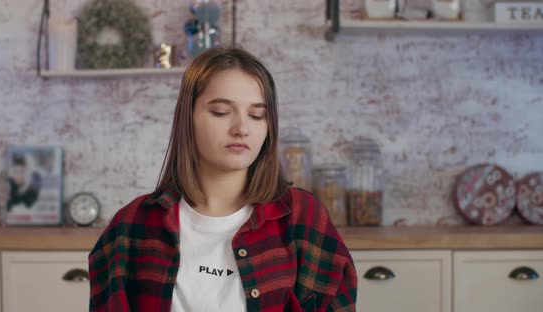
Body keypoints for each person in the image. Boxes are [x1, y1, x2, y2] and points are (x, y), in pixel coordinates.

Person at [88, 46, 357, 312]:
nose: (241, 129)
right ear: (188, 118)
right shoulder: (131, 225)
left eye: (256, 115)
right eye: (221, 112)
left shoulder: (302, 217)